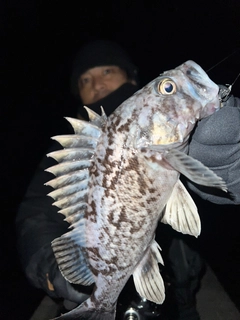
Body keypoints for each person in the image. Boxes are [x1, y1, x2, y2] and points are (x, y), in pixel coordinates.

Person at [16, 39, 240, 320]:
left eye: (106, 71)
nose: (96, 83)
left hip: (180, 293)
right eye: (85, 79)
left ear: (132, 77)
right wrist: (46, 263)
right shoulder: (68, 149)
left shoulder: (180, 126)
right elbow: (35, 212)